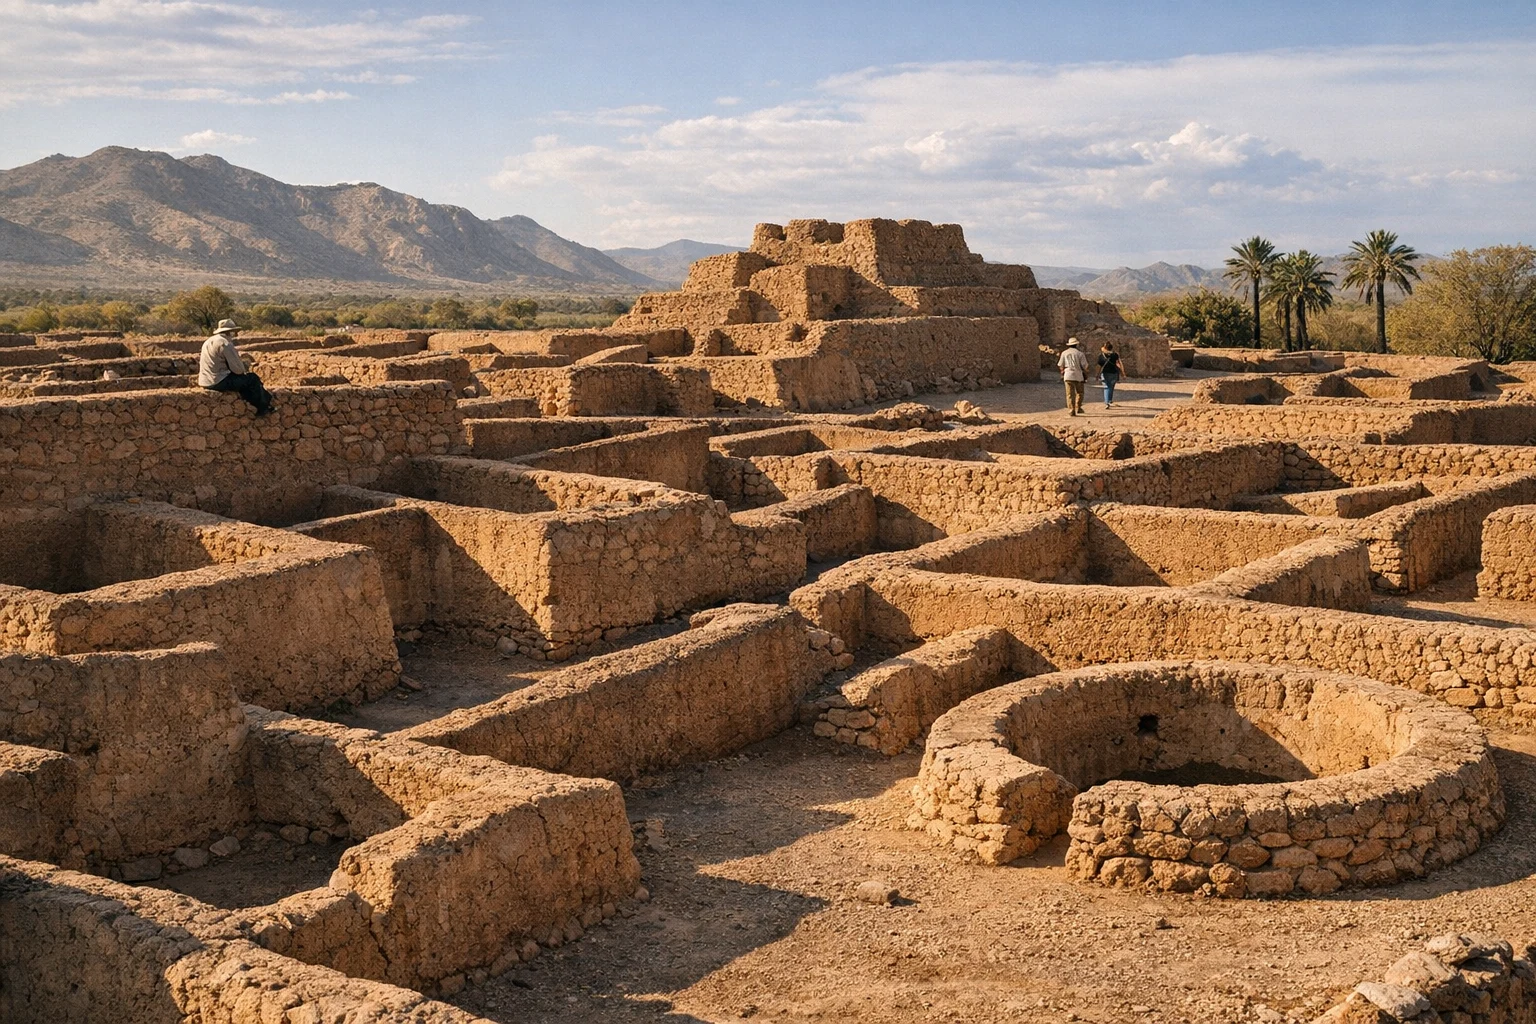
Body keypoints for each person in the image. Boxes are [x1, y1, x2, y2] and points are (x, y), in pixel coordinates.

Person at [198, 319, 272, 415]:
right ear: (229, 332)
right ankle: (263, 407)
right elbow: (238, 370)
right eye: (234, 332)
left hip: (205, 381)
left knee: (243, 383)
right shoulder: (225, 343)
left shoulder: (209, 341)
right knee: (252, 379)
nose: (235, 335)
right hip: (218, 381)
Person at [1057, 337, 1089, 416]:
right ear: (1076, 345)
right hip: (1078, 375)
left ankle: (1071, 409)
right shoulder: (1080, 354)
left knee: (1069, 394)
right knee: (1080, 392)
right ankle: (1078, 407)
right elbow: (1085, 366)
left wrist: (1062, 372)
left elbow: (1060, 365)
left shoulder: (1064, 353)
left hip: (1068, 375)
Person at [1097, 341, 1123, 408]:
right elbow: (1119, 364)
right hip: (1114, 373)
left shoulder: (1101, 356)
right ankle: (1110, 400)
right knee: (1111, 387)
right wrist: (1123, 372)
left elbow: (1099, 366)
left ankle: (1107, 402)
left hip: (1105, 373)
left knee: (1106, 387)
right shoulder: (1115, 355)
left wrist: (1097, 374)